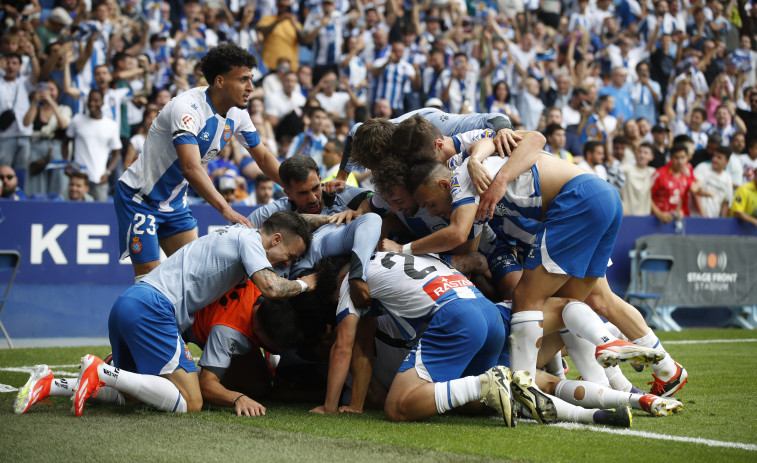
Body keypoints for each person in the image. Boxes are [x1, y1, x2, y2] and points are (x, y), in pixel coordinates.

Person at [14, 211, 313, 417]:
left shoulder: (239, 234)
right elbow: (272, 288)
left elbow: (291, 222)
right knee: (192, 401)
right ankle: (101, 369)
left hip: (129, 302)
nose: (288, 263)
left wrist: (332, 217)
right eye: (291, 255)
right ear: (275, 239)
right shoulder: (250, 242)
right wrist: (304, 283)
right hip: (154, 308)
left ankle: (50, 384)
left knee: (133, 395)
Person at [114, 43, 281, 282]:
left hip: (174, 203)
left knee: (194, 278)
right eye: (243, 79)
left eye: (251, 79)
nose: (250, 87)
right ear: (220, 81)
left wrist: (291, 186)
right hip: (139, 199)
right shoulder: (188, 108)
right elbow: (191, 168)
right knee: (149, 282)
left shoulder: (238, 113)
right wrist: (226, 208)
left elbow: (263, 157)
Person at [64, 89, 122, 201]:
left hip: (99, 179)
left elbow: (117, 154)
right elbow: (65, 142)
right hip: (78, 178)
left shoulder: (111, 125)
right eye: (90, 100)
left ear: (102, 103)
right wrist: (67, 163)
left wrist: (108, 173)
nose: (92, 104)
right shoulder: (77, 120)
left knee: (99, 215)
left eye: (96, 100)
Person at [651, 143, 709, 222]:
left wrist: (681, 211)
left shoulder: (686, 176)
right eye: (676, 158)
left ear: (687, 158)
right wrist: (659, 213)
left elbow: (682, 199)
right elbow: (647, 195)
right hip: (654, 220)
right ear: (671, 158)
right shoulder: (660, 174)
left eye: (682, 157)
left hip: (673, 221)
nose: (680, 161)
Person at [256, 0, 304, 72]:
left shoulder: (297, 24)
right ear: (277, 6)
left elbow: (303, 41)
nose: (284, 9)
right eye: (281, 6)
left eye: (287, 7)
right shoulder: (267, 19)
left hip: (289, 69)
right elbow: (260, 31)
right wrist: (279, 20)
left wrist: (294, 24)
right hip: (270, 67)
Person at [693, 147, 733, 217]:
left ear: (726, 162)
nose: (714, 159)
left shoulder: (728, 179)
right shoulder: (702, 168)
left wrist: (723, 223)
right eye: (714, 156)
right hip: (696, 217)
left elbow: (725, 203)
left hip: (714, 220)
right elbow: (696, 192)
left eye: (719, 158)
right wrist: (703, 216)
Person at [622, 142, 656, 215]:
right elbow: (618, 170)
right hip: (627, 216)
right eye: (640, 152)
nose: (642, 155)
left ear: (651, 157)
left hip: (645, 217)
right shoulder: (627, 168)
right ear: (636, 154)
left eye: (645, 153)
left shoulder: (653, 172)